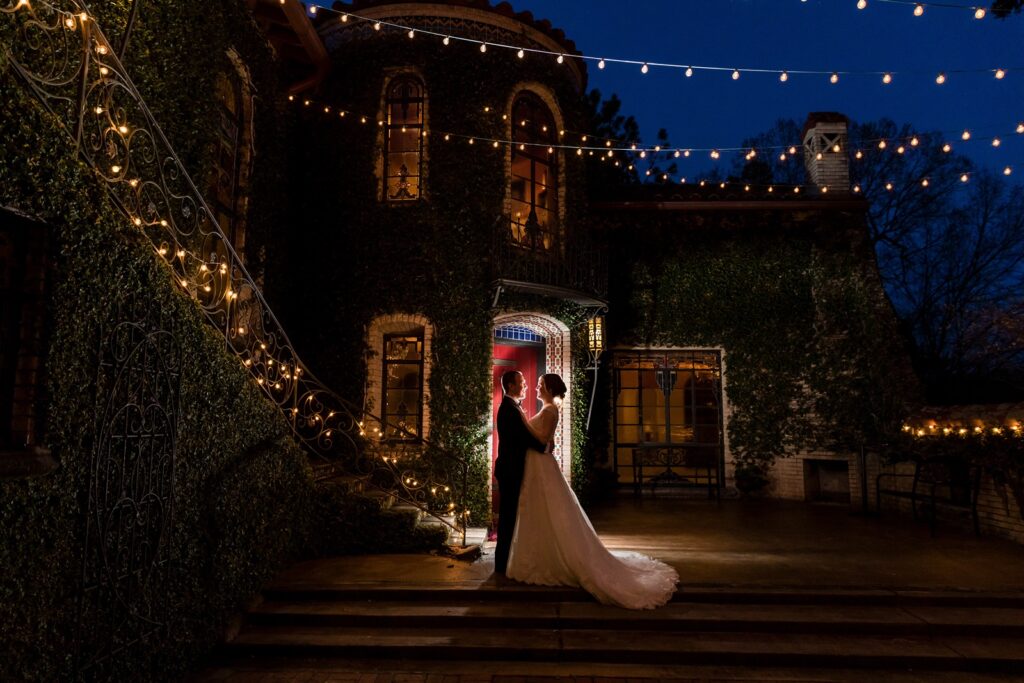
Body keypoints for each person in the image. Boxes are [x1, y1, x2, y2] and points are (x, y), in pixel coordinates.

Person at [506, 373, 678, 609]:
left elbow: (543, 439)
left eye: (539, 385)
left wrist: (525, 424)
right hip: (537, 466)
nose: (535, 388)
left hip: (541, 467)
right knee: (540, 510)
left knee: (548, 509)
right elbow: (547, 441)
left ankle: (555, 558)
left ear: (547, 388)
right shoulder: (547, 408)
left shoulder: (548, 410)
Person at [493, 370, 546, 575]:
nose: (525, 385)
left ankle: (504, 561)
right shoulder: (510, 409)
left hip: (510, 469)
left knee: (510, 516)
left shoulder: (512, 406)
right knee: (507, 517)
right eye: (521, 382)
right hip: (510, 470)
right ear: (511, 385)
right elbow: (525, 438)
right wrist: (546, 448)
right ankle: (501, 565)